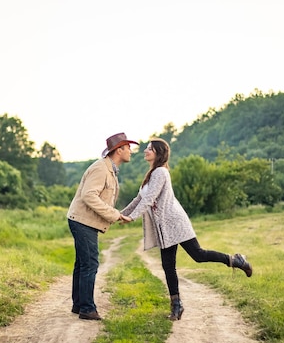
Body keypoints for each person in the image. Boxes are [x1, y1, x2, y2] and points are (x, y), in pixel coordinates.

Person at [121, 138, 253, 321]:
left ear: (158, 153)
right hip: (164, 228)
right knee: (168, 266)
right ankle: (177, 306)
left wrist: (132, 217)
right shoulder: (151, 175)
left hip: (176, 222)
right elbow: (138, 199)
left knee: (198, 255)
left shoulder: (160, 172)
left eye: (149, 148)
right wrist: (120, 215)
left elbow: (149, 200)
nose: (145, 151)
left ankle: (235, 260)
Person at [67, 132, 138, 321]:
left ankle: (79, 304)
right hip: (82, 221)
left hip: (83, 220)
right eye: (128, 147)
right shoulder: (101, 169)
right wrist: (115, 215)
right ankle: (87, 309)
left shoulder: (110, 169)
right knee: (90, 263)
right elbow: (89, 196)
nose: (131, 151)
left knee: (83, 263)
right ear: (119, 150)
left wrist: (118, 214)